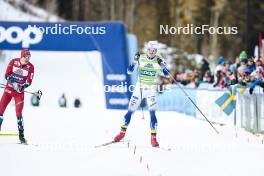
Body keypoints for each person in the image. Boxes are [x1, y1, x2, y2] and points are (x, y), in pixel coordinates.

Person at [113, 41, 170, 147]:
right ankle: (122, 133)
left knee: (152, 114)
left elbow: (167, 74)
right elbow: (129, 72)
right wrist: (134, 62)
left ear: (156, 51)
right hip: (138, 90)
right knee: (130, 111)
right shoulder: (141, 58)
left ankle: (153, 139)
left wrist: (162, 66)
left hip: (151, 90)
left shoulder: (159, 60)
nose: (151, 52)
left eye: (154, 51)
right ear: (147, 50)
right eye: (150, 50)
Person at [0, 49, 34, 144]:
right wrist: (13, 82)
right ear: (21, 56)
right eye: (26, 57)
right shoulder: (13, 61)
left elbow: (29, 81)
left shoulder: (30, 67)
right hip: (8, 90)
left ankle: (21, 136)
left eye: (29, 57)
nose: (27, 59)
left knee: (18, 113)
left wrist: (22, 86)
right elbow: (7, 75)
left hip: (19, 93)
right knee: (0, 111)